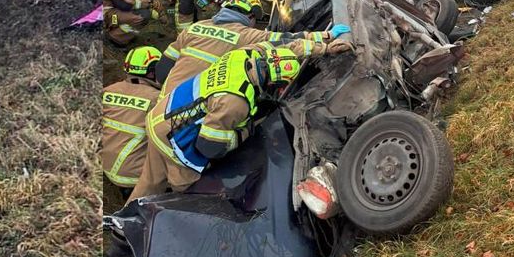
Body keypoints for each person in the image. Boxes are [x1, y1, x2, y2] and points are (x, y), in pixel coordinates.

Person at [130, 33, 354, 201]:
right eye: (279, 88)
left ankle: (120, 232)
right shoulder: (236, 103)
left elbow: (289, 47)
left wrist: (324, 47)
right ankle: (164, 229)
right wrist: (246, 130)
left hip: (161, 116)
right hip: (174, 141)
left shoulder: (246, 55)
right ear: (270, 82)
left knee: (149, 183)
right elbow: (208, 147)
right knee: (189, 194)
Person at [156, 0, 350, 88]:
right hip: (199, 103)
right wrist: (327, 38)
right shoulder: (248, 35)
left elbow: (163, 68)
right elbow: (287, 40)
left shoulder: (195, 28)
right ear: (250, 16)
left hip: (168, 97)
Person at [102, 46, 162, 190]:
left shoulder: (108, 90)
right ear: (153, 71)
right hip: (135, 177)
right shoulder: (157, 98)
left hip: (104, 166)